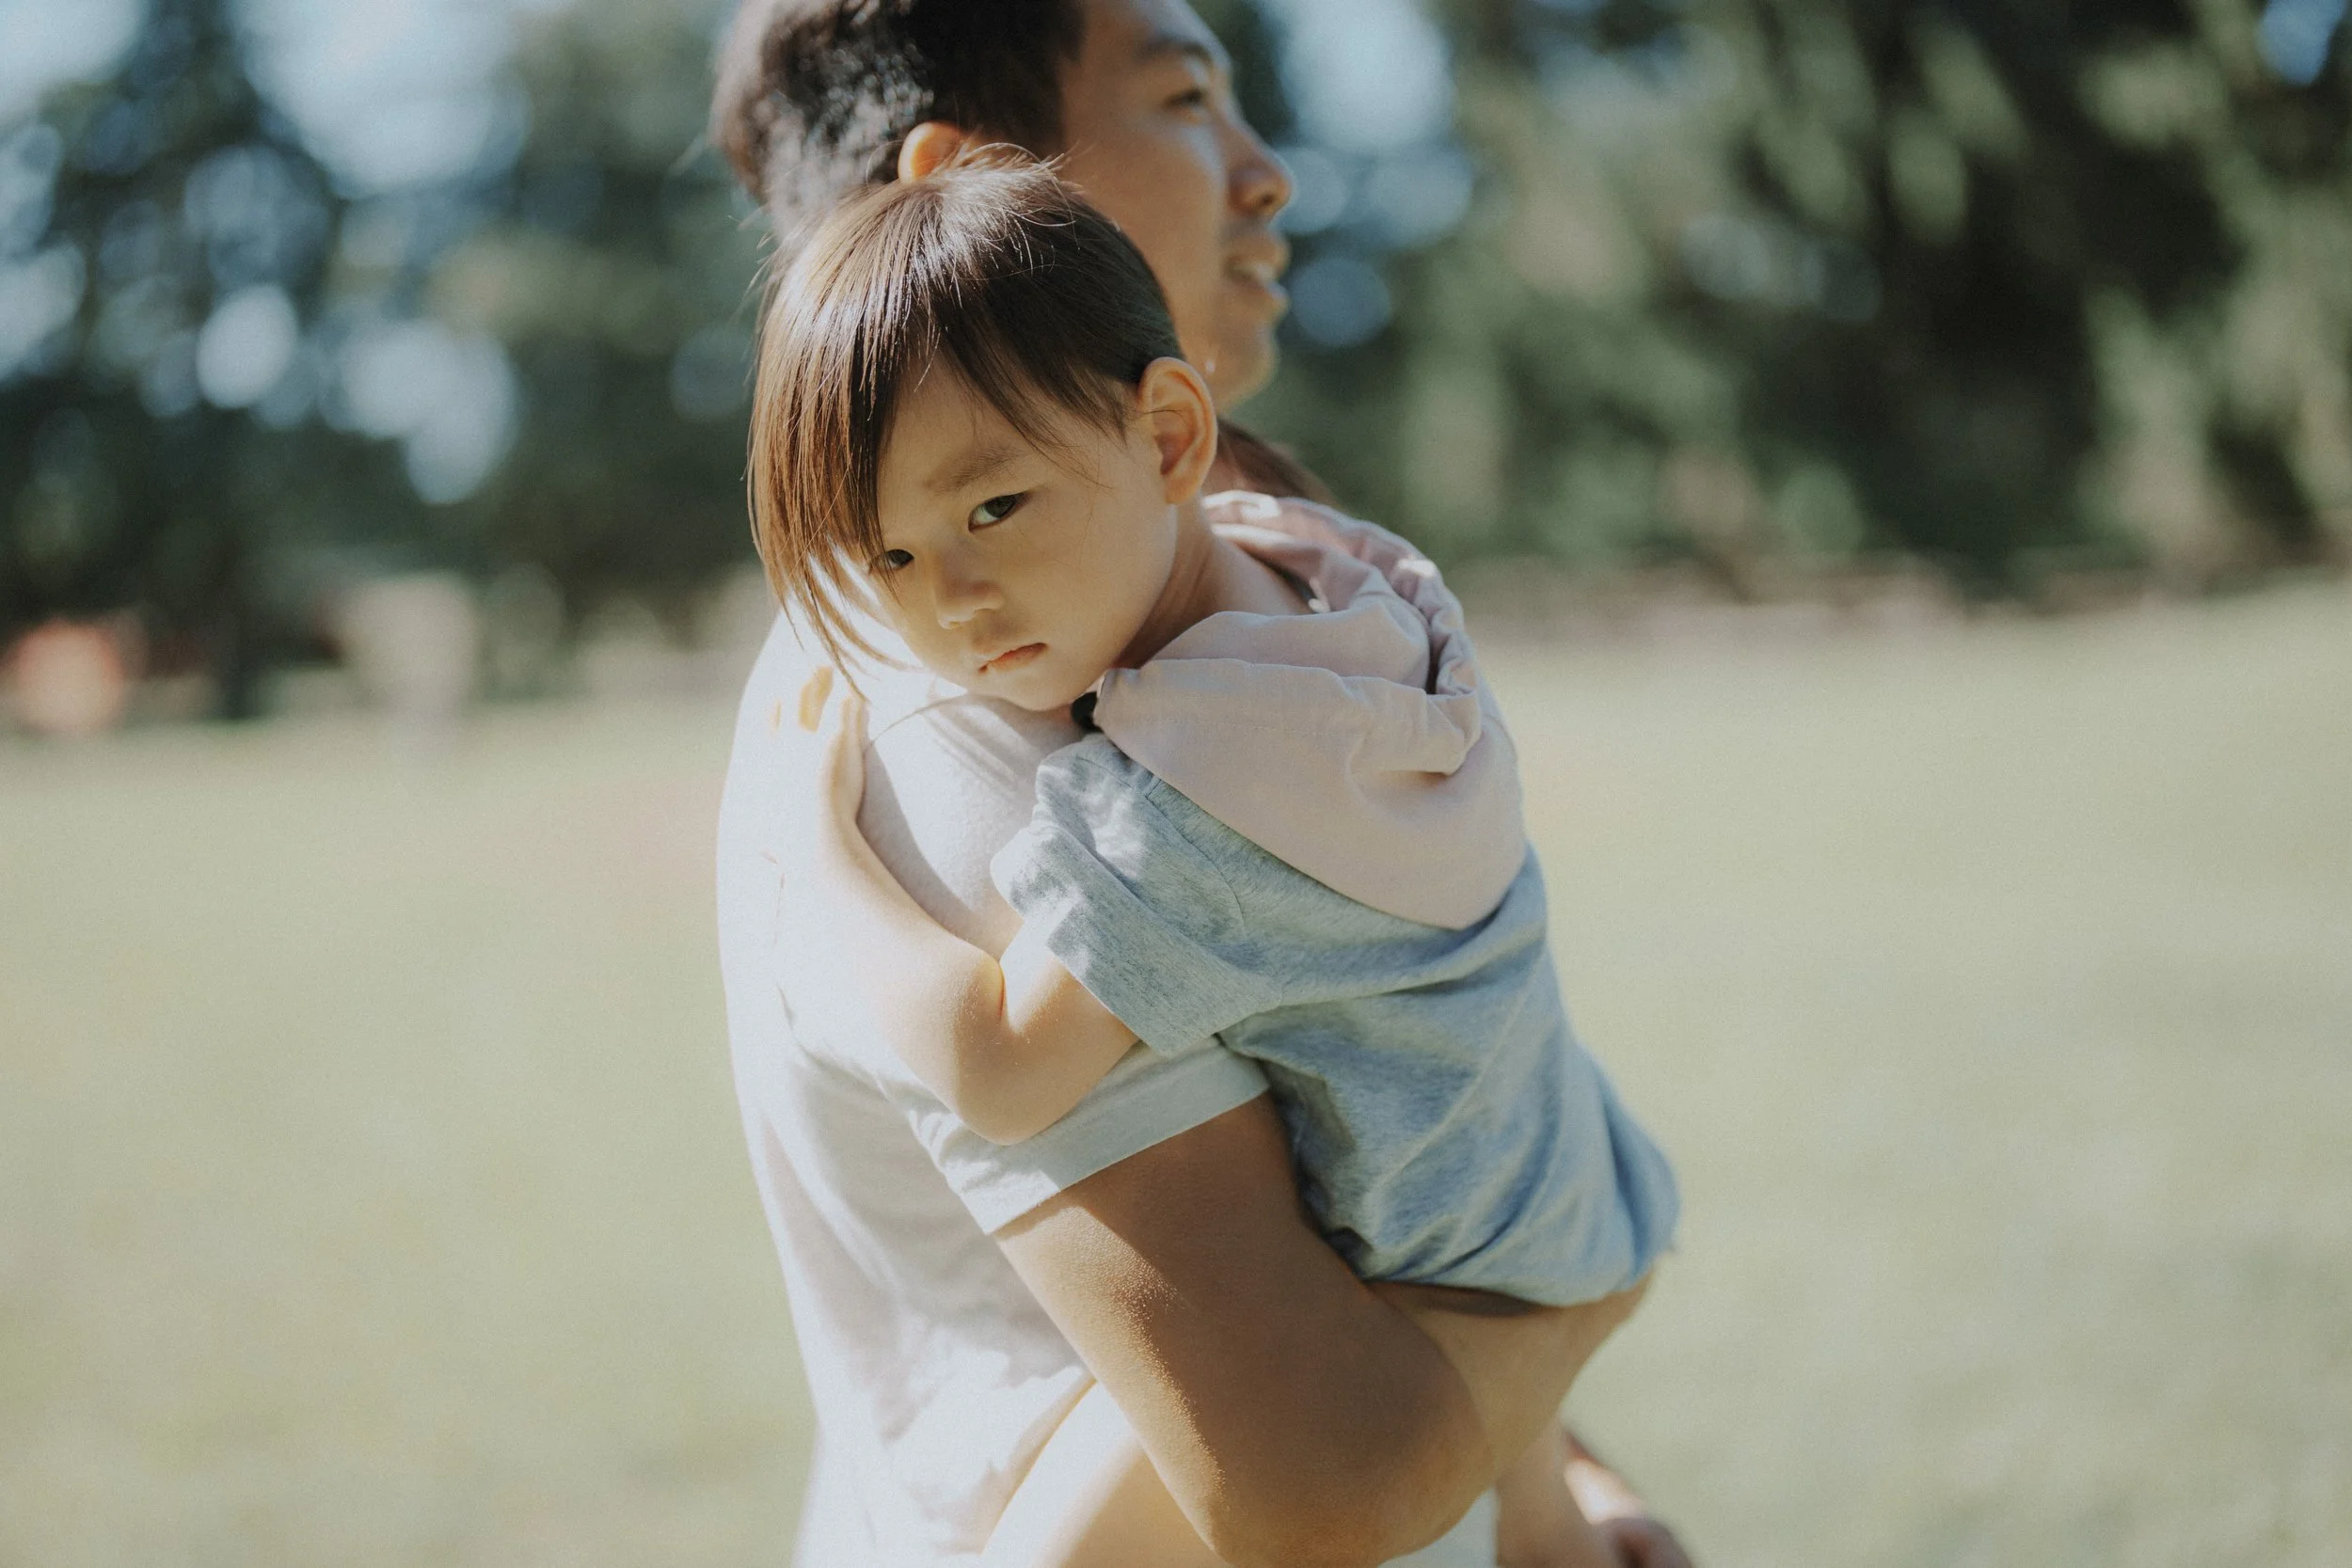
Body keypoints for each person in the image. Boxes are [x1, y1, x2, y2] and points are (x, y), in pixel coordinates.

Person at [709, 4, 1698, 1564]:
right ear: (981, 178)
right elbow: (1321, 1476)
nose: (1269, 175)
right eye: (1184, 96)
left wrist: (1556, 1470)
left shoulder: (1201, 609)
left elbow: (1377, 1101)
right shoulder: (970, 713)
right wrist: (1598, 1275)